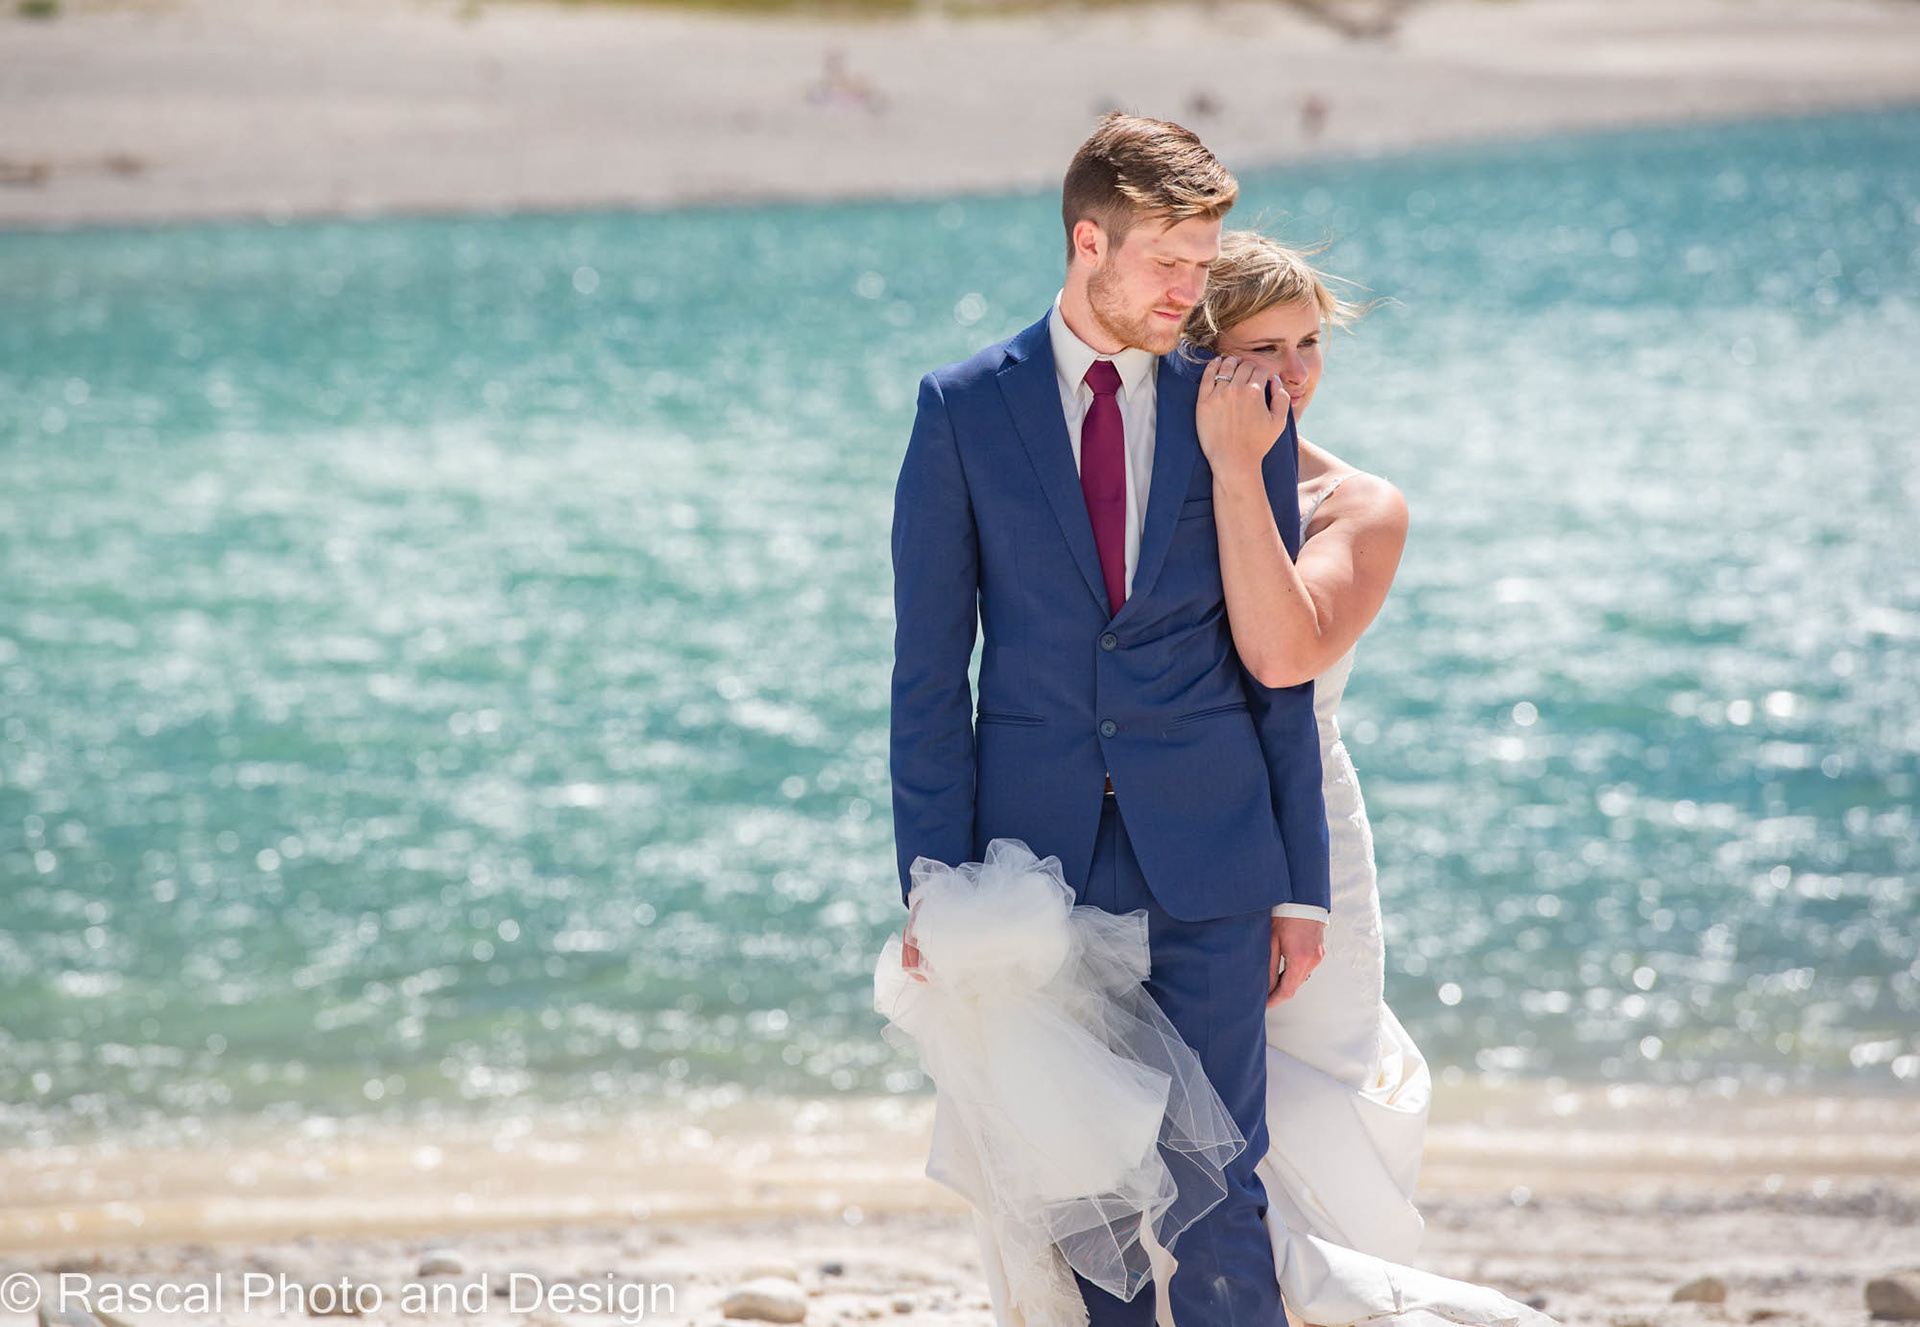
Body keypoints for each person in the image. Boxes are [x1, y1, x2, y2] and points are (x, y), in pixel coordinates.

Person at [890, 114, 1331, 1327]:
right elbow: (929, 674)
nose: (1195, 291)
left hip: (1218, 855)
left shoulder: (1230, 405)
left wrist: (1305, 885)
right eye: (1170, 265)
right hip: (1037, 869)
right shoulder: (964, 409)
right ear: (1090, 241)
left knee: (1217, 1185)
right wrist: (932, 879)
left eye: (1205, 261)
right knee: (1084, 1195)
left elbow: (1272, 671)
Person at [1182, 232, 1554, 1326]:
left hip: (1310, 842)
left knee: (1320, 1112)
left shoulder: (1360, 505)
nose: (1296, 373)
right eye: (1264, 349)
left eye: (1309, 344)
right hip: (1166, 838)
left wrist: (1243, 473)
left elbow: (1285, 655)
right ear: (1203, 360)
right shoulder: (1152, 497)